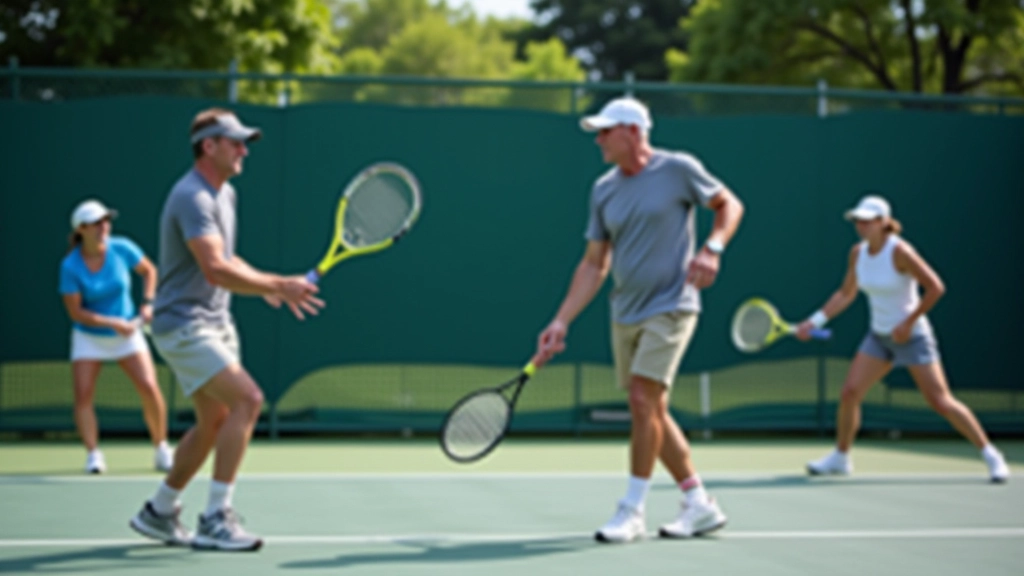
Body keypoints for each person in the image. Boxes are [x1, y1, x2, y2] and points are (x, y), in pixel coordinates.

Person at [534, 98, 745, 543]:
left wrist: (713, 249)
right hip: (625, 310)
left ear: (633, 131)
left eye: (605, 131)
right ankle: (699, 503)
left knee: (641, 398)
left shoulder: (679, 169)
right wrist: (561, 321)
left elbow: (729, 205)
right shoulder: (602, 189)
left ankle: (631, 510)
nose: (598, 140)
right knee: (653, 409)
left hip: (674, 304)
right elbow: (594, 264)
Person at [129, 108, 324, 551]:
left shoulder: (225, 195)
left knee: (214, 420)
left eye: (244, 143)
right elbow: (214, 269)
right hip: (185, 325)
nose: (243, 151)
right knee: (249, 399)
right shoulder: (192, 197)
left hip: (216, 321)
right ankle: (216, 516)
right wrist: (276, 285)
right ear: (208, 146)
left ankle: (160, 510)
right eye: (234, 142)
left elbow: (229, 261)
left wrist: (270, 286)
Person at [797, 194, 1010, 483]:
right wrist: (814, 321)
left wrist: (909, 322)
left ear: (883, 223)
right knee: (850, 393)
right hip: (879, 337)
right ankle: (841, 457)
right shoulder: (857, 253)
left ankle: (991, 455)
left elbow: (935, 287)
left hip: (912, 337)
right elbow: (846, 293)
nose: (860, 226)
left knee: (940, 401)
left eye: (867, 221)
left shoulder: (901, 252)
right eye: (858, 221)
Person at [59, 199, 174, 474]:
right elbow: (76, 312)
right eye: (97, 223)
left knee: (149, 386)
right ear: (82, 229)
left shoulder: (122, 248)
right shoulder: (70, 266)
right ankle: (93, 455)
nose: (104, 227)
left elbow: (149, 271)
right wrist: (111, 322)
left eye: (106, 221)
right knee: (84, 396)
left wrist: (147, 303)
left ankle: (161, 448)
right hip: (89, 337)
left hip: (127, 334)